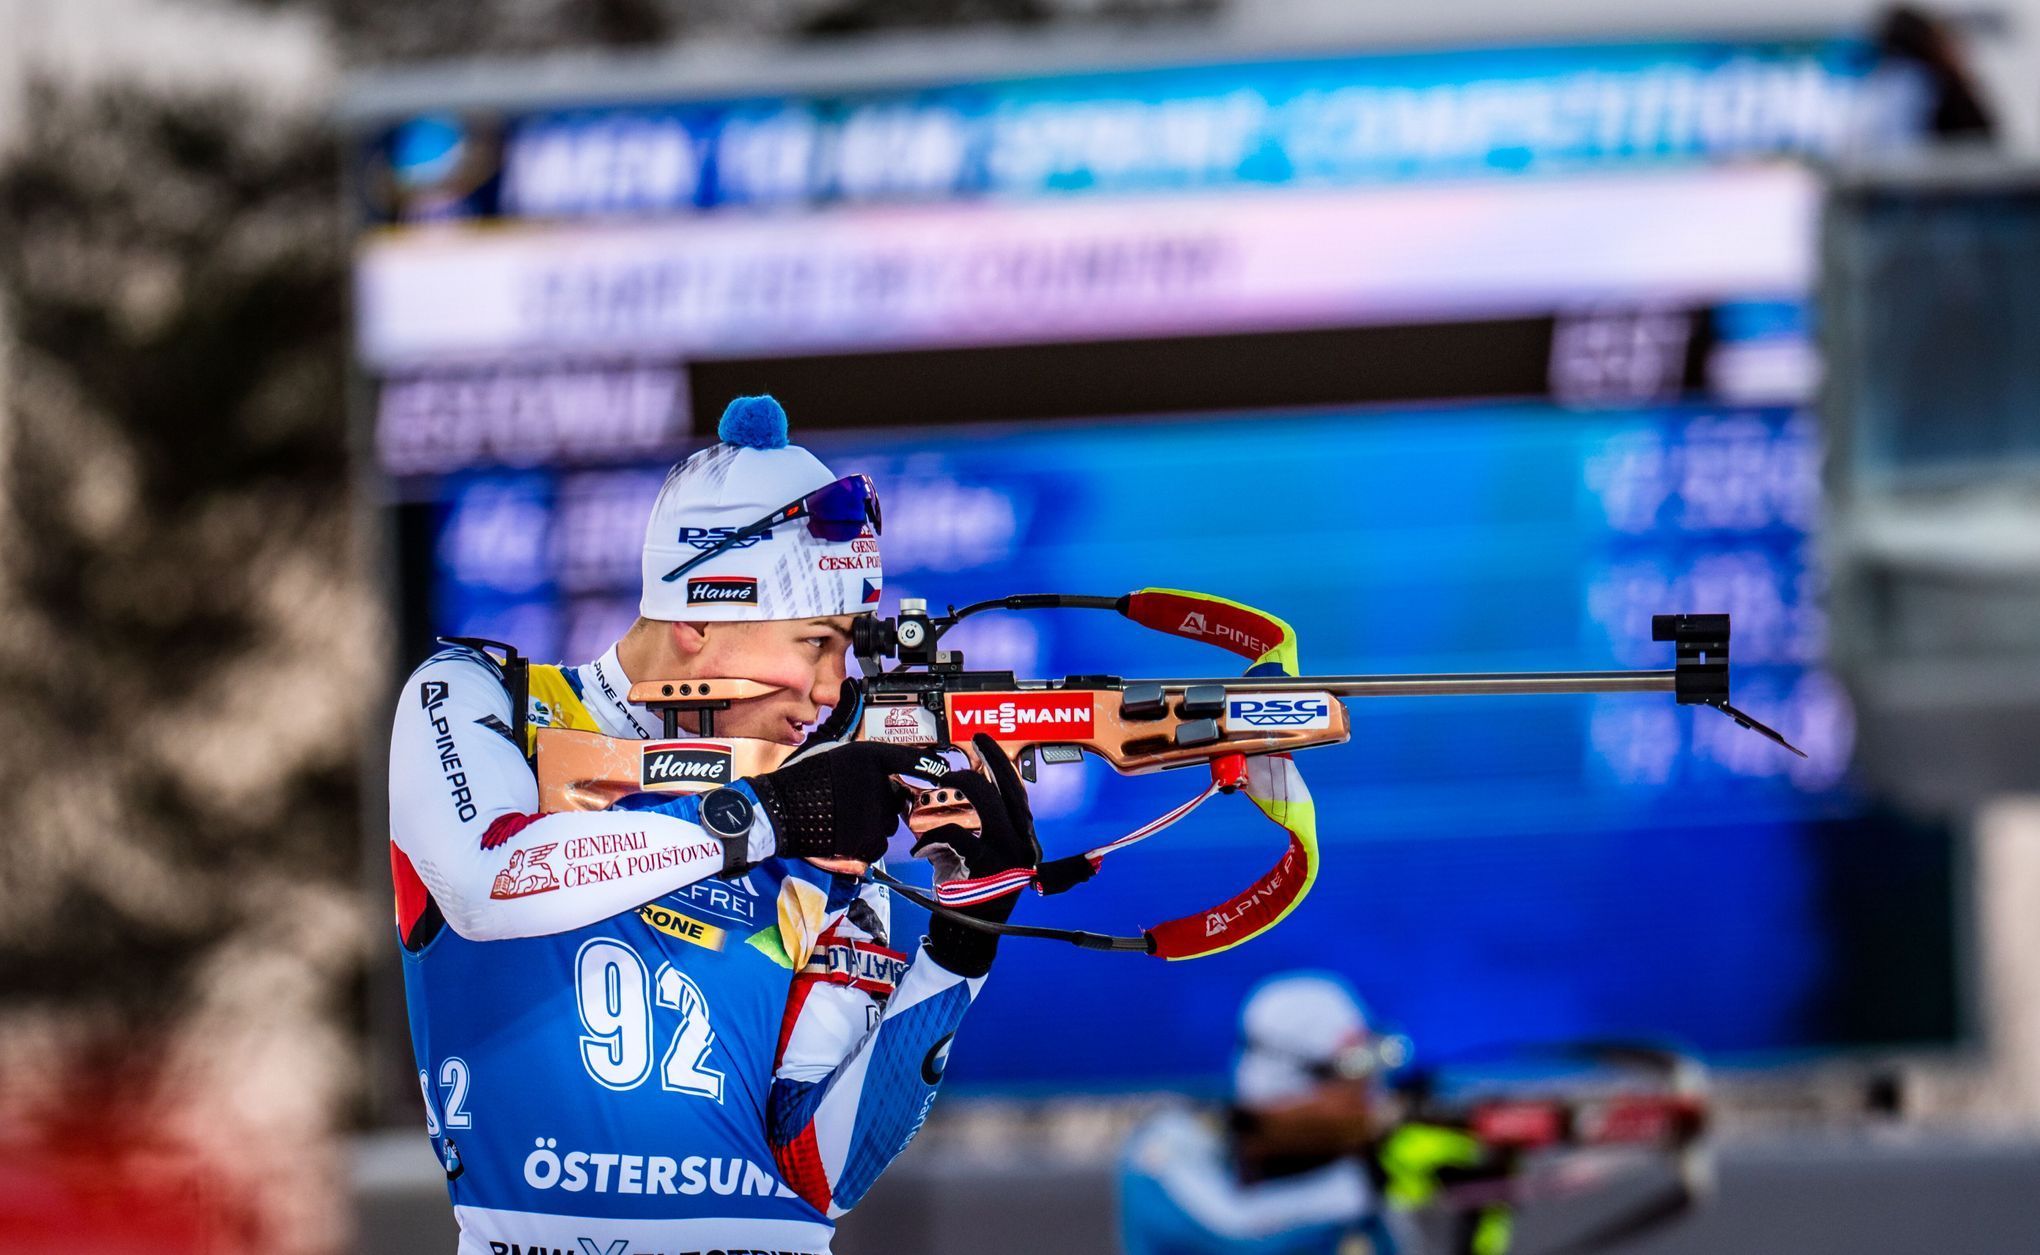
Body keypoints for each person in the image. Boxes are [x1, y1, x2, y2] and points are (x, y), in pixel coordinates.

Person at [387, 395, 1038, 1255]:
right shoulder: (484, 699)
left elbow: (825, 1169)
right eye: (816, 642)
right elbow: (486, 882)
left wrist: (961, 944)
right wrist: (763, 817)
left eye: (848, 650)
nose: (833, 688)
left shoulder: (824, 809)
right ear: (698, 616)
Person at [1118, 972, 1413, 1255]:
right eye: (1349, 1072)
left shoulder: (1352, 1162)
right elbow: (1234, 1233)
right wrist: (1370, 1184)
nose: (1369, 1099)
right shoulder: (1168, 1147)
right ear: (1281, 1085)